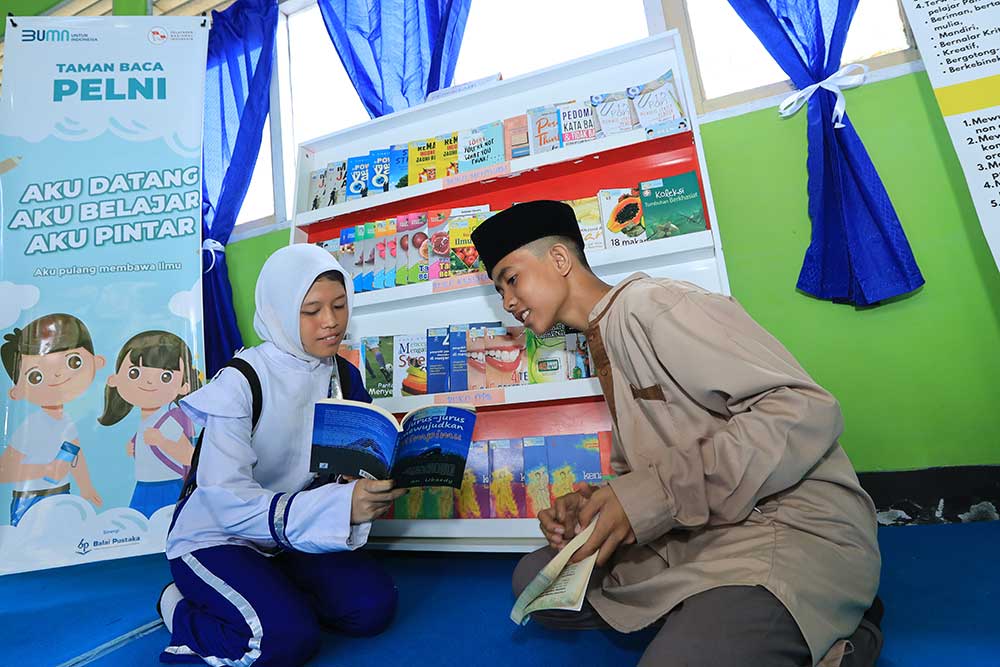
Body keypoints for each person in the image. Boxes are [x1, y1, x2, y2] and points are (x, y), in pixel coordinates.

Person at [470, 200, 883, 667]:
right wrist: (595, 505)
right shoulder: (601, 340)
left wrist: (649, 497)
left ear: (560, 261)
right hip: (691, 532)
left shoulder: (655, 305)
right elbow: (652, 467)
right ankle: (736, 622)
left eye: (511, 278)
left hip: (778, 526)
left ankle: (824, 621)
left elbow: (804, 409)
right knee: (535, 580)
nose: (507, 301)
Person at [157, 244, 406, 666]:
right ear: (280, 310)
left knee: (371, 608)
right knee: (285, 640)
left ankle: (269, 589)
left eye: (340, 305)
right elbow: (225, 500)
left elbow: (348, 469)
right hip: (219, 536)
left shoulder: (343, 376)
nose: (331, 322)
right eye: (311, 310)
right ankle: (175, 606)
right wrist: (341, 504)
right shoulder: (241, 381)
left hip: (289, 537)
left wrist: (375, 483)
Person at [1, 313, 104, 525]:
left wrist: (85, 487)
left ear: (96, 363)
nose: (57, 375)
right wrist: (45, 469)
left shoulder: (66, 419)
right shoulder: (31, 426)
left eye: (74, 362)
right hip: (30, 499)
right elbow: (5, 471)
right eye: (35, 376)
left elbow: (75, 454)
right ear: (16, 391)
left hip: (61, 494)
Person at [98, 330, 201, 519]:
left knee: (164, 526)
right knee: (139, 527)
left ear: (184, 386)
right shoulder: (148, 418)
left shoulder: (170, 419)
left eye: (166, 376)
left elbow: (189, 456)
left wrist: (162, 441)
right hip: (144, 485)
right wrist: (135, 445)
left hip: (167, 486)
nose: (148, 381)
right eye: (135, 373)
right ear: (114, 379)